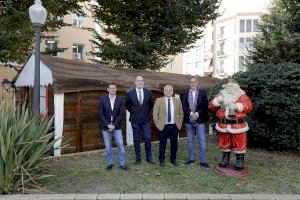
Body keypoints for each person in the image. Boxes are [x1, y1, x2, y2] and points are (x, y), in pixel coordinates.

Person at [209, 79, 252, 171]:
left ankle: (239, 161)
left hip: (238, 125)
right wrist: (217, 101)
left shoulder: (242, 96)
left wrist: (237, 106)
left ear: (236, 87)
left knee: (240, 143)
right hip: (223, 125)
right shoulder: (221, 95)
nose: (230, 88)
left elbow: (249, 106)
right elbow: (211, 106)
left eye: (232, 86)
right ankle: (225, 159)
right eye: (228, 86)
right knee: (224, 142)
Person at [182, 76, 210, 169]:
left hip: (200, 119)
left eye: (194, 82)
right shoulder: (185, 93)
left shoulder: (203, 92)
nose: (193, 84)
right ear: (189, 83)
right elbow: (184, 105)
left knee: (202, 141)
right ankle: (191, 158)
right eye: (191, 82)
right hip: (188, 119)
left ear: (197, 83)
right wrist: (191, 113)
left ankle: (203, 161)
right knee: (190, 140)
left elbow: (205, 105)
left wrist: (197, 113)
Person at [125, 76, 155, 164]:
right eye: (138, 81)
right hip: (135, 120)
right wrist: (135, 113)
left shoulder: (148, 92)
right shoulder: (130, 93)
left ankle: (149, 157)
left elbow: (150, 105)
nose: (140, 82)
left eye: (142, 81)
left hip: (146, 120)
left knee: (148, 138)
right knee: (136, 139)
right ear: (135, 82)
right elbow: (128, 106)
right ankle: (138, 158)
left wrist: (146, 115)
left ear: (143, 82)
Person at [99, 83, 128, 171]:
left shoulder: (120, 100)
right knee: (108, 147)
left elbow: (121, 114)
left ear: (116, 89)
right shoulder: (103, 99)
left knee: (120, 146)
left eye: (114, 88)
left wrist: (114, 125)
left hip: (117, 126)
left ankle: (122, 163)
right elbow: (101, 113)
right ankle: (110, 163)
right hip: (105, 126)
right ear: (107, 89)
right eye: (111, 88)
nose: (113, 89)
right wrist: (108, 125)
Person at [153, 85, 184, 167]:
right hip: (163, 126)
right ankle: (161, 159)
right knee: (162, 143)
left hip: (174, 126)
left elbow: (181, 113)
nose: (169, 92)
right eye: (166, 90)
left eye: (170, 90)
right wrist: (157, 124)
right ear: (164, 92)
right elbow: (155, 113)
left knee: (174, 143)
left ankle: (173, 159)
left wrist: (179, 124)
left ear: (173, 92)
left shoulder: (177, 101)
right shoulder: (159, 100)